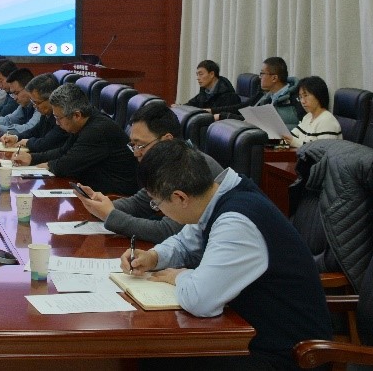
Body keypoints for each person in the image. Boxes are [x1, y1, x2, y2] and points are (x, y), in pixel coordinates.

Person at [120, 140, 332, 370]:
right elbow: (184, 242)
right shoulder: (215, 197)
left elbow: (200, 301)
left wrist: (178, 276)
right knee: (154, 356)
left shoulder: (236, 221)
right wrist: (154, 256)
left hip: (288, 356)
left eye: (156, 203)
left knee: (159, 357)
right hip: (252, 333)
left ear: (180, 197)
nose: (158, 210)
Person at [76, 100, 222, 243]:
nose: (136, 153)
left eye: (140, 145)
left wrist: (110, 215)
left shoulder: (189, 167)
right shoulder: (165, 163)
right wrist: (99, 205)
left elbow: (168, 231)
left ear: (167, 140)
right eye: (133, 145)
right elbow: (140, 204)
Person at [11, 83, 137, 195]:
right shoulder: (84, 121)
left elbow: (67, 165)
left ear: (77, 115)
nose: (57, 123)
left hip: (113, 197)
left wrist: (45, 165)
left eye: (58, 118)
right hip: (92, 189)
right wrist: (32, 158)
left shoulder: (97, 130)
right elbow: (63, 151)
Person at [2, 74, 64, 152]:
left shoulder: (62, 117)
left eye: (37, 103)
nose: (35, 106)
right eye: (33, 102)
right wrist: (16, 137)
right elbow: (35, 131)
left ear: (51, 98)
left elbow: (47, 143)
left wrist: (27, 142)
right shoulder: (46, 113)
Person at [283, 76, 342, 148]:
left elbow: (322, 151)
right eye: (300, 97)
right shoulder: (308, 116)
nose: (302, 101)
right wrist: (275, 143)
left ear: (318, 96)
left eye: (305, 96)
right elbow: (290, 137)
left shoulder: (327, 121)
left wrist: (294, 142)